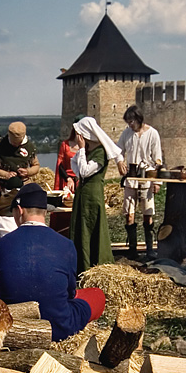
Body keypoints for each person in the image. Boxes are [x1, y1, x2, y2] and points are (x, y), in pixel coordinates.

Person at [0, 183, 105, 342]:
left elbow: (2, 284)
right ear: (45, 212)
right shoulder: (66, 244)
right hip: (58, 328)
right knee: (97, 295)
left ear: (20, 210)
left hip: (13, 324)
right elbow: (70, 292)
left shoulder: (1, 244)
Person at [70, 116, 118, 273]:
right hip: (82, 194)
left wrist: (81, 149)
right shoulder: (89, 151)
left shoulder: (100, 153)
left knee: (92, 227)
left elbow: (84, 171)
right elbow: (75, 166)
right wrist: (82, 152)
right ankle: (81, 264)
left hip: (92, 195)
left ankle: (95, 263)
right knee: (81, 228)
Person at [116, 106, 163, 259]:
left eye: (131, 121)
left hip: (147, 178)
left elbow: (158, 158)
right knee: (129, 215)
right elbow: (118, 151)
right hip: (131, 179)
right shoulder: (126, 134)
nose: (130, 125)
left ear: (138, 119)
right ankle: (132, 250)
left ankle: (150, 249)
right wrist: (120, 162)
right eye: (128, 122)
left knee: (147, 215)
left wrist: (157, 182)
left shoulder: (152, 133)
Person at [0, 121, 40, 236]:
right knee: (6, 215)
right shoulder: (0, 146)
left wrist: (27, 172)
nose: (15, 145)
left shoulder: (29, 147)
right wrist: (5, 174)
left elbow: (36, 166)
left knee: (25, 214)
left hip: (24, 186)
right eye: (14, 142)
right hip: (6, 189)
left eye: (18, 143)